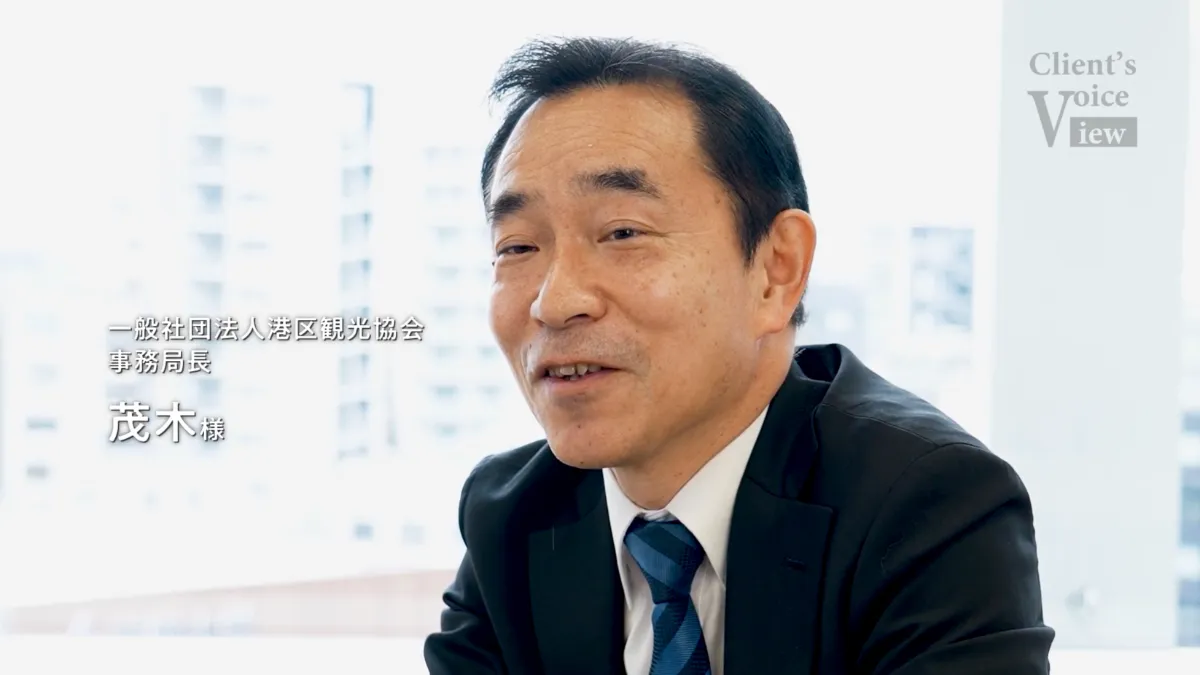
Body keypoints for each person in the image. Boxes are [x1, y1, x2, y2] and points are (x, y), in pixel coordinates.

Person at [424, 36, 1054, 675]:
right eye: (517, 247)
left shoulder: (927, 505)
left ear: (776, 271)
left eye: (622, 233)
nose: (555, 302)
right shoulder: (513, 516)